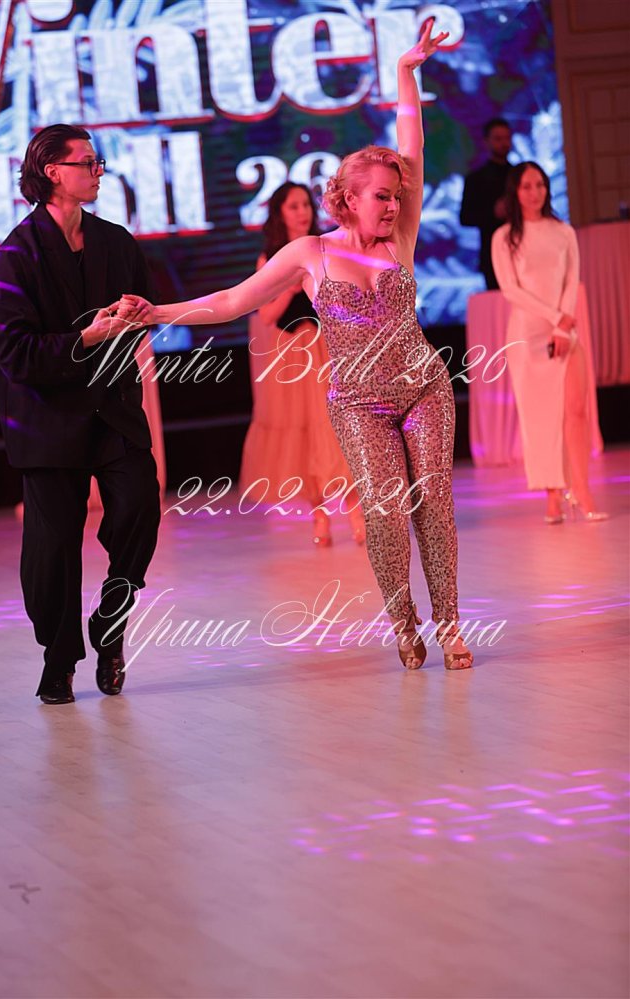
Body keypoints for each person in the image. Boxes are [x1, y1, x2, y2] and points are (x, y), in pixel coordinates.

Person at [121, 18, 473, 670]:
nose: (392, 206)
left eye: (397, 196)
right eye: (381, 197)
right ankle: (404, 622)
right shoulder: (310, 253)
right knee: (385, 512)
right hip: (359, 401)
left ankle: (450, 623)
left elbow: (411, 143)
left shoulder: (400, 237)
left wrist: (405, 71)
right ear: (348, 198)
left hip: (423, 385)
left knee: (434, 505)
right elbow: (233, 301)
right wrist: (159, 312)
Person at [0, 124, 161, 705]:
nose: (98, 170)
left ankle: (111, 624)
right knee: (53, 551)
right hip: (47, 422)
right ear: (52, 172)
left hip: (112, 412)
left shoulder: (116, 242)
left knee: (139, 510)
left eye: (97, 161)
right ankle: (58, 661)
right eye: (87, 161)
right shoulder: (15, 258)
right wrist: (86, 337)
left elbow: (143, 315)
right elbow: (13, 353)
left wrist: (134, 314)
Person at [239, 181, 365, 546]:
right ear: (280, 213)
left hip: (328, 348)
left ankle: (355, 509)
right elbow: (266, 315)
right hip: (293, 353)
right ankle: (319, 515)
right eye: (293, 206)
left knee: (337, 429)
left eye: (305, 205)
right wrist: (291, 285)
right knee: (304, 437)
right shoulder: (272, 257)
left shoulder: (325, 247)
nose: (302, 212)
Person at [491, 161, 607, 523]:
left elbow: (571, 280)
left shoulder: (563, 231)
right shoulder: (504, 237)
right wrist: (555, 318)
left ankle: (582, 491)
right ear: (515, 191)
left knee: (576, 411)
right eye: (527, 186)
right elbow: (511, 289)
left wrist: (562, 325)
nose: (535, 192)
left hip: (564, 331)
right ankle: (553, 494)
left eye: (540, 185)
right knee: (539, 417)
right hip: (527, 335)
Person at [460, 117, 512, 289]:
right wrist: (493, 212)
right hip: (492, 254)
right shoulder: (475, 179)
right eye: (498, 138)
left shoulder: (518, 176)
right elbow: (465, 217)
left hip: (521, 250)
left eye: (507, 138)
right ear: (486, 141)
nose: (504, 143)